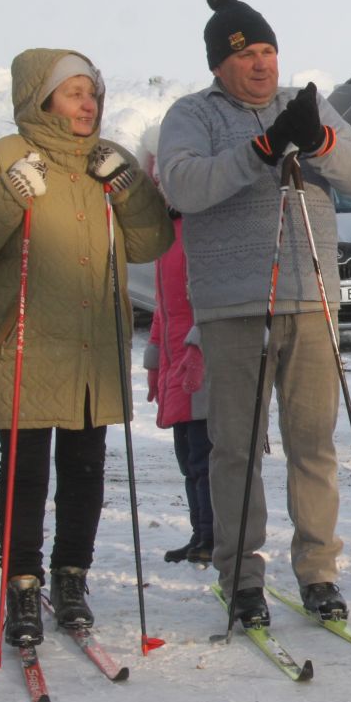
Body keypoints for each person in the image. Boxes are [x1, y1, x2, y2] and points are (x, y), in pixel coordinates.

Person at [0, 50, 173, 644]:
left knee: (86, 467)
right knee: (24, 471)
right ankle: (21, 583)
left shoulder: (103, 159)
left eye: (91, 92)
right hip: (23, 345)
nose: (88, 103)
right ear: (41, 99)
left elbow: (152, 242)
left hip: (93, 344)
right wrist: (10, 193)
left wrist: (128, 184)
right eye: (73, 93)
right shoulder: (7, 156)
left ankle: (71, 578)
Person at [158, 0, 351, 626]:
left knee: (313, 443)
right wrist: (258, 153)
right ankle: (241, 576)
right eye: (246, 54)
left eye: (268, 50)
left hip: (311, 297)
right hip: (233, 306)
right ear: (218, 65)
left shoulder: (302, 105)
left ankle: (318, 572)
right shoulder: (193, 114)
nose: (261, 64)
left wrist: (320, 141)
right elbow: (183, 185)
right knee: (237, 447)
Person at [136, 124, 214, 566]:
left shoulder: (202, 229)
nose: (159, 184)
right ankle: (199, 532)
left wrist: (199, 345)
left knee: (207, 457)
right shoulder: (168, 234)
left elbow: (214, 294)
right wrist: (154, 359)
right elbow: (164, 308)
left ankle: (215, 535)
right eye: (154, 176)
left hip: (203, 360)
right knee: (188, 457)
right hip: (175, 363)